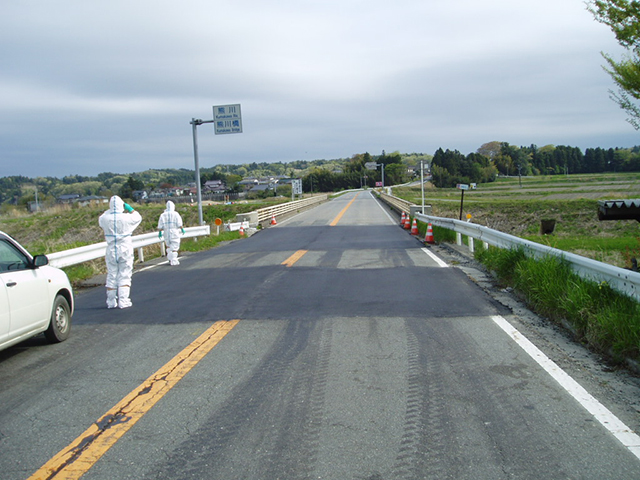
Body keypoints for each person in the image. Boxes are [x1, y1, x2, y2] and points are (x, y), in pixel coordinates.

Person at [98, 196, 142, 309]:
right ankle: (124, 301)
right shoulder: (126, 218)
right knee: (125, 274)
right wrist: (129, 208)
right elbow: (138, 217)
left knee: (112, 275)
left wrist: (110, 210)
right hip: (125, 248)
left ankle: (111, 302)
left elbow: (102, 217)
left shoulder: (105, 219)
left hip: (111, 248)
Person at [157, 200, 184, 266]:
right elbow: (179, 223)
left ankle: (170, 258)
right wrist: (182, 229)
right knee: (175, 244)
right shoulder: (175, 214)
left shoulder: (163, 215)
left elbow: (160, 224)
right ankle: (174, 259)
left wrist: (160, 232)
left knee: (168, 245)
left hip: (166, 231)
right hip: (174, 231)